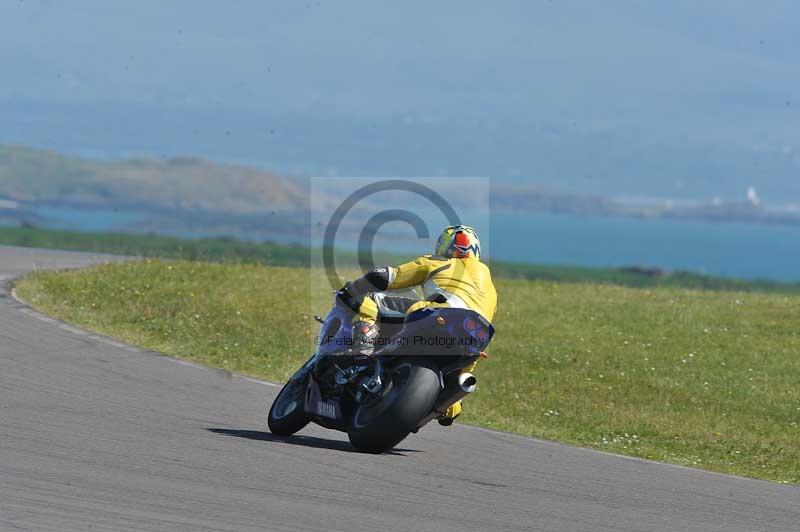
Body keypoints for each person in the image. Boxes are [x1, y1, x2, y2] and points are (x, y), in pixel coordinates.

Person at [336, 225, 497, 426]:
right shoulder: (490, 284)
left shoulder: (439, 261)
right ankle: (451, 405)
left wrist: (356, 288)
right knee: (461, 377)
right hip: (477, 336)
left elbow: (388, 276)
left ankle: (363, 352)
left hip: (441, 315)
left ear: (444, 245)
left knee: (373, 301)